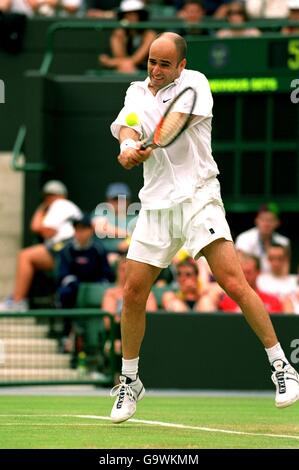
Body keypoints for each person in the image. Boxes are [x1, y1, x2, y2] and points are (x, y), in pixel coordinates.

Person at [108, 32, 299, 423]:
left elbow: (173, 124)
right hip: (156, 204)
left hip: (198, 198)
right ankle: (130, 381)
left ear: (180, 65)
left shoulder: (196, 83)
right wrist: (127, 147)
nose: (156, 70)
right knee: (132, 292)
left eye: (164, 64)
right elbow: (126, 126)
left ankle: (283, 367)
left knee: (233, 281)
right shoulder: (135, 91)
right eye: (151, 62)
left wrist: (148, 145)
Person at [0, 180, 82, 311]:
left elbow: (40, 228)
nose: (49, 199)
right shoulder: (67, 207)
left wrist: (42, 208)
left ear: (62, 196)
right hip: (71, 251)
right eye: (47, 196)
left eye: (53, 195)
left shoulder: (60, 205)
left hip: (67, 249)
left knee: (25, 256)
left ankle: (17, 301)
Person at [98, 0, 156, 73]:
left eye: (135, 14)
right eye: (127, 14)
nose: (131, 17)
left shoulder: (149, 34)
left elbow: (135, 60)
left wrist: (111, 62)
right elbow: (120, 59)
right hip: (123, 70)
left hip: (145, 72)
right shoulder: (119, 33)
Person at [235, 203, 290, 274]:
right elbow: (240, 267)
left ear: (277, 222)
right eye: (263, 219)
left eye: (270, 220)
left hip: (275, 281)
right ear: (256, 220)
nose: (266, 223)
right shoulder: (244, 238)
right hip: (251, 282)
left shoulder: (284, 242)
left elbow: (285, 270)